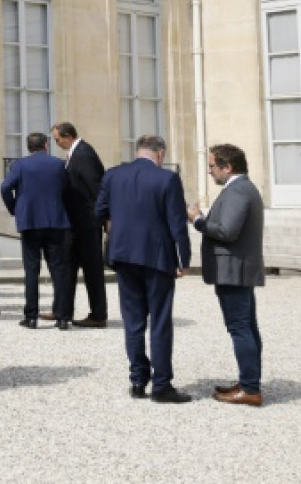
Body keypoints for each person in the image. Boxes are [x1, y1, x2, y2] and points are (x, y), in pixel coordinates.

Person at [95, 135, 193, 404]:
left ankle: (138, 379)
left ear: (138, 151)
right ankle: (161, 385)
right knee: (160, 321)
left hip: (124, 255)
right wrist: (184, 258)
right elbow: (177, 223)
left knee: (133, 321)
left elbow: (99, 210)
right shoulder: (167, 179)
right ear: (159, 153)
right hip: (157, 256)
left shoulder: (113, 175)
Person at [190, 143, 266, 407]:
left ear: (227, 167)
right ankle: (248, 381)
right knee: (247, 327)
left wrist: (197, 219)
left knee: (240, 328)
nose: (210, 172)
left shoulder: (237, 190)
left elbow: (227, 231)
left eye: (212, 166)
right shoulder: (242, 188)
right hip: (238, 268)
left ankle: (250, 388)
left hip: (233, 269)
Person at [2, 131, 74, 329]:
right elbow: (68, 190)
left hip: (30, 222)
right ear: (46, 146)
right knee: (58, 271)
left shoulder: (20, 165)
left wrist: (15, 208)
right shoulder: (59, 164)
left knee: (31, 271)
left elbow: (5, 188)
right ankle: (61, 317)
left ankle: (31, 316)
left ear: (28, 147)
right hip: (55, 221)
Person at [53, 122, 109, 327]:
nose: (57, 143)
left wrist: (102, 218)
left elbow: (96, 188)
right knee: (69, 267)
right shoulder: (76, 153)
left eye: (57, 139)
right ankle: (63, 311)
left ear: (67, 136)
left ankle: (98, 314)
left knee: (92, 269)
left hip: (87, 223)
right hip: (76, 222)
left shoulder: (84, 153)